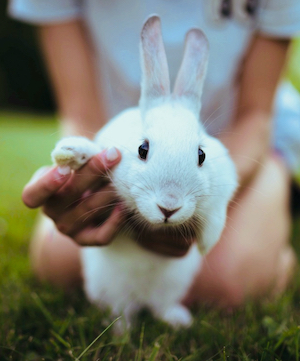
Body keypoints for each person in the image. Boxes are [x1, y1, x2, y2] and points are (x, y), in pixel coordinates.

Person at [9, 0, 300, 307]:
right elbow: (81, 115)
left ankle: (277, 234)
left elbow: (255, 116)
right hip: (126, 142)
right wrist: (86, 177)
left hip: (243, 143)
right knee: (58, 263)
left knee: (223, 285)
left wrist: (212, 203)